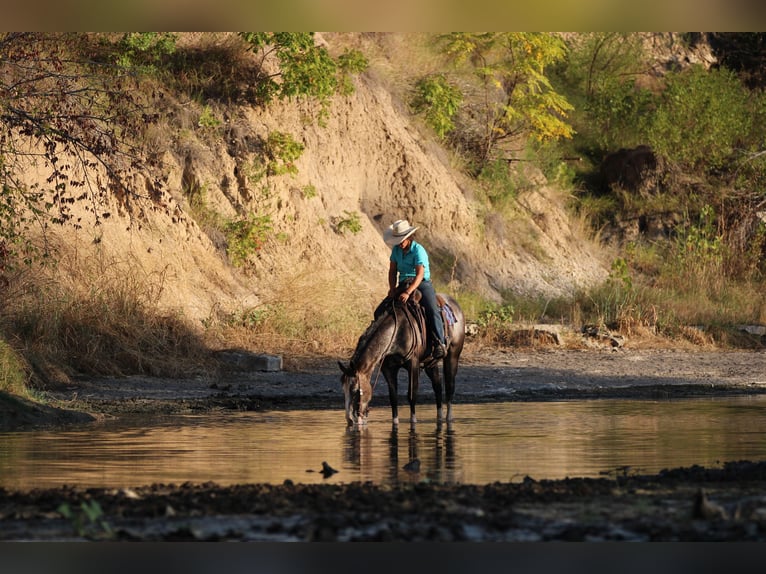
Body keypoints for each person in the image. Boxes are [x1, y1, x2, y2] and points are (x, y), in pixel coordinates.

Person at [384, 219, 446, 360]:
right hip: (403, 282)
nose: (400, 243)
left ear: (409, 237)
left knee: (431, 309)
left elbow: (419, 275)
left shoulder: (419, 250)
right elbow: (392, 271)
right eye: (397, 240)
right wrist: (392, 288)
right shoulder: (396, 251)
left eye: (402, 240)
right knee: (382, 309)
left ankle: (439, 342)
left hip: (421, 284)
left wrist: (408, 292)